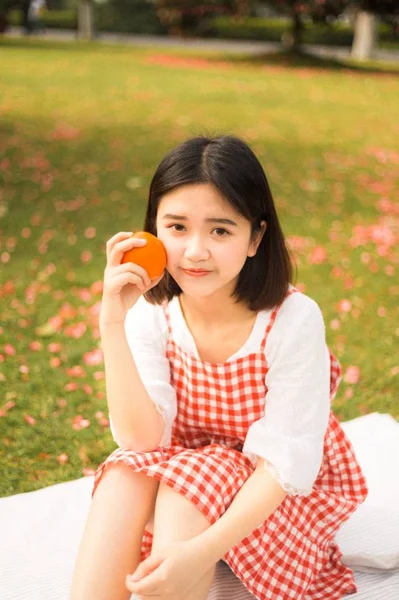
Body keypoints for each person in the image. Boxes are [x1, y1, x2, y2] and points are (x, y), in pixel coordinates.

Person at [71, 135, 368, 600]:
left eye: (220, 230)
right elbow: (141, 441)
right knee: (124, 473)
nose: (194, 252)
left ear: (256, 238)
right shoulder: (153, 313)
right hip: (187, 474)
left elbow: (283, 465)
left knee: (185, 487)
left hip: (268, 495)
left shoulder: (292, 319)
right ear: (152, 231)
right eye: (176, 227)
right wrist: (113, 319)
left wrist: (200, 553)